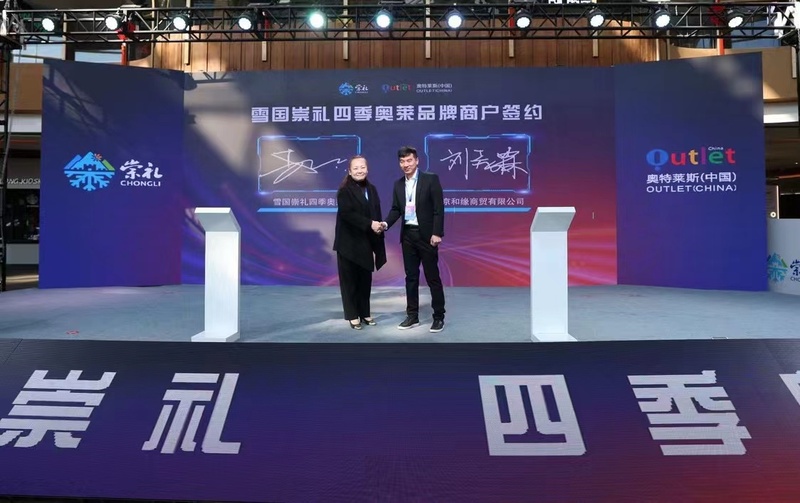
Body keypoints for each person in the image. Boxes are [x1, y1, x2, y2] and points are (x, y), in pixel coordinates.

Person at [381, 146, 446, 333]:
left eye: (409, 160)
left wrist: (437, 233)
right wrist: (385, 224)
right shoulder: (398, 184)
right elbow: (396, 209)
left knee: (433, 277)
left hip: (427, 236)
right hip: (408, 236)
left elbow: (439, 209)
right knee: (411, 278)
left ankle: (438, 317)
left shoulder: (430, 179)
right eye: (402, 161)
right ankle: (412, 316)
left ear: (417, 161)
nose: (406, 164)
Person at [333, 155, 387, 330]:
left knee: (365, 281)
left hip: (366, 242)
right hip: (348, 244)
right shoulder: (344, 191)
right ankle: (352, 315)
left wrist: (378, 226)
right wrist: (370, 223)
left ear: (367, 169)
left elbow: (376, 212)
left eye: (362, 167)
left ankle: (365, 313)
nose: (359, 171)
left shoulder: (372, 189)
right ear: (349, 171)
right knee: (349, 281)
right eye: (355, 168)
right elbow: (347, 214)